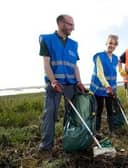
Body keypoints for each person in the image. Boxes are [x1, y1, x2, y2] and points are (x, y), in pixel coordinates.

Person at [38, 14, 86, 151]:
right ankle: (46, 146)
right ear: (60, 23)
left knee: (71, 114)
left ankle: (68, 140)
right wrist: (53, 81)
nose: (73, 28)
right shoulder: (47, 40)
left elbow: (75, 66)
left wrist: (79, 81)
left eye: (73, 24)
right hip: (55, 85)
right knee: (50, 114)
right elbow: (46, 64)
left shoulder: (73, 44)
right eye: (70, 24)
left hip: (71, 85)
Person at [90, 34, 119, 137]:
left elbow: (115, 73)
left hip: (110, 89)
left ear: (116, 46)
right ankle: (97, 130)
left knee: (110, 109)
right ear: (106, 43)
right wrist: (107, 86)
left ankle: (112, 130)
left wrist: (113, 88)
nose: (112, 45)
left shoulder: (116, 58)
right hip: (99, 88)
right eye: (110, 43)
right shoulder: (99, 56)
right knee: (99, 109)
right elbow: (100, 74)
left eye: (114, 44)